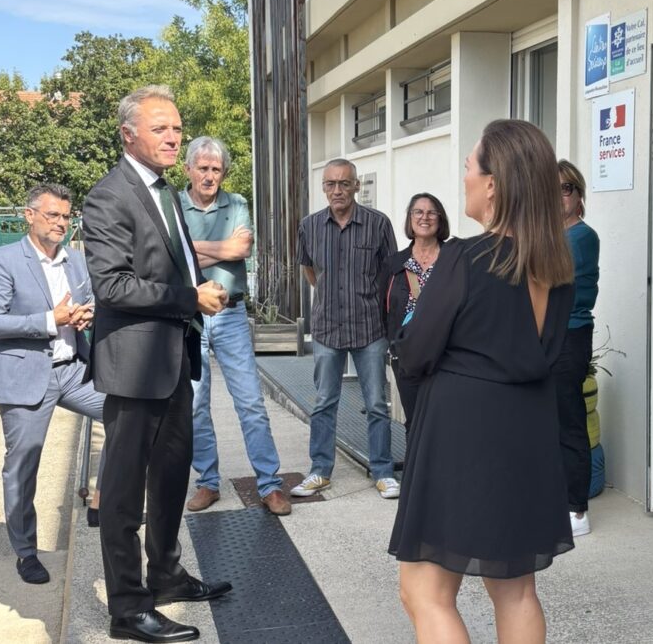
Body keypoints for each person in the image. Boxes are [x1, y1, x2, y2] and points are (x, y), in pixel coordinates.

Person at [388, 119, 574, 643]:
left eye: (469, 165)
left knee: (424, 592)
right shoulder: (556, 263)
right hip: (529, 429)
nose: (464, 175)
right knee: (514, 589)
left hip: (462, 432)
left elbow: (416, 350)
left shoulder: (465, 258)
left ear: (493, 184)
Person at [82, 85, 230, 643]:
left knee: (171, 476)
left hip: (173, 360)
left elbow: (173, 261)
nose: (174, 137)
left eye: (177, 128)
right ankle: (128, 608)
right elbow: (114, 286)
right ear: (128, 135)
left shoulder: (164, 189)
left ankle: (165, 574)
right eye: (161, 128)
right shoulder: (108, 196)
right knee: (123, 491)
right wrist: (190, 298)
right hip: (134, 365)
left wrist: (195, 288)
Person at [0, 183, 104, 584]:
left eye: (67, 216)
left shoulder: (76, 260)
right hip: (26, 375)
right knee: (22, 467)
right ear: (29, 215)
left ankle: (103, 496)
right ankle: (26, 552)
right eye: (53, 215)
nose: (61, 224)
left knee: (128, 413)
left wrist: (87, 316)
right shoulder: (3, 261)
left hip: (73, 371)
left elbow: (91, 302)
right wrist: (53, 320)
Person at [179, 136, 290, 516]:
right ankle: (208, 482)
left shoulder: (237, 203)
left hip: (230, 314)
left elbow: (241, 250)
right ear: (188, 169)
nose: (210, 176)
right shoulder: (172, 205)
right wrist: (219, 246)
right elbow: (170, 254)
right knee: (195, 405)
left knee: (251, 403)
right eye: (203, 168)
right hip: (190, 317)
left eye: (216, 169)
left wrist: (193, 249)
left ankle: (270, 484)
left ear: (223, 172)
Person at [292, 158, 399, 499]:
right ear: (323, 188)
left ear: (356, 186)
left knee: (377, 403)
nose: (337, 190)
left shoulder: (378, 224)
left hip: (370, 327)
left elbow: (389, 275)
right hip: (327, 328)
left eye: (344, 183)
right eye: (330, 184)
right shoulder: (309, 226)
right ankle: (320, 470)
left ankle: (382, 471)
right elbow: (310, 272)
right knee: (324, 401)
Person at [554, 159, 599, 538]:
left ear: (579, 196)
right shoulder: (548, 235)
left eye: (566, 188)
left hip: (569, 337)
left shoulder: (581, 237)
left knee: (569, 422)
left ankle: (577, 509)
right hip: (543, 338)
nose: (558, 196)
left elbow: (541, 274)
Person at [381, 192, 450, 435]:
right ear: (410, 219)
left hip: (446, 356)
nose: (425, 217)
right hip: (407, 356)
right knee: (415, 420)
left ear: (440, 219)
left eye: (432, 212)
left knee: (444, 421)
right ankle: (416, 472)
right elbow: (384, 308)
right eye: (418, 212)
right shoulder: (394, 264)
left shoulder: (454, 260)